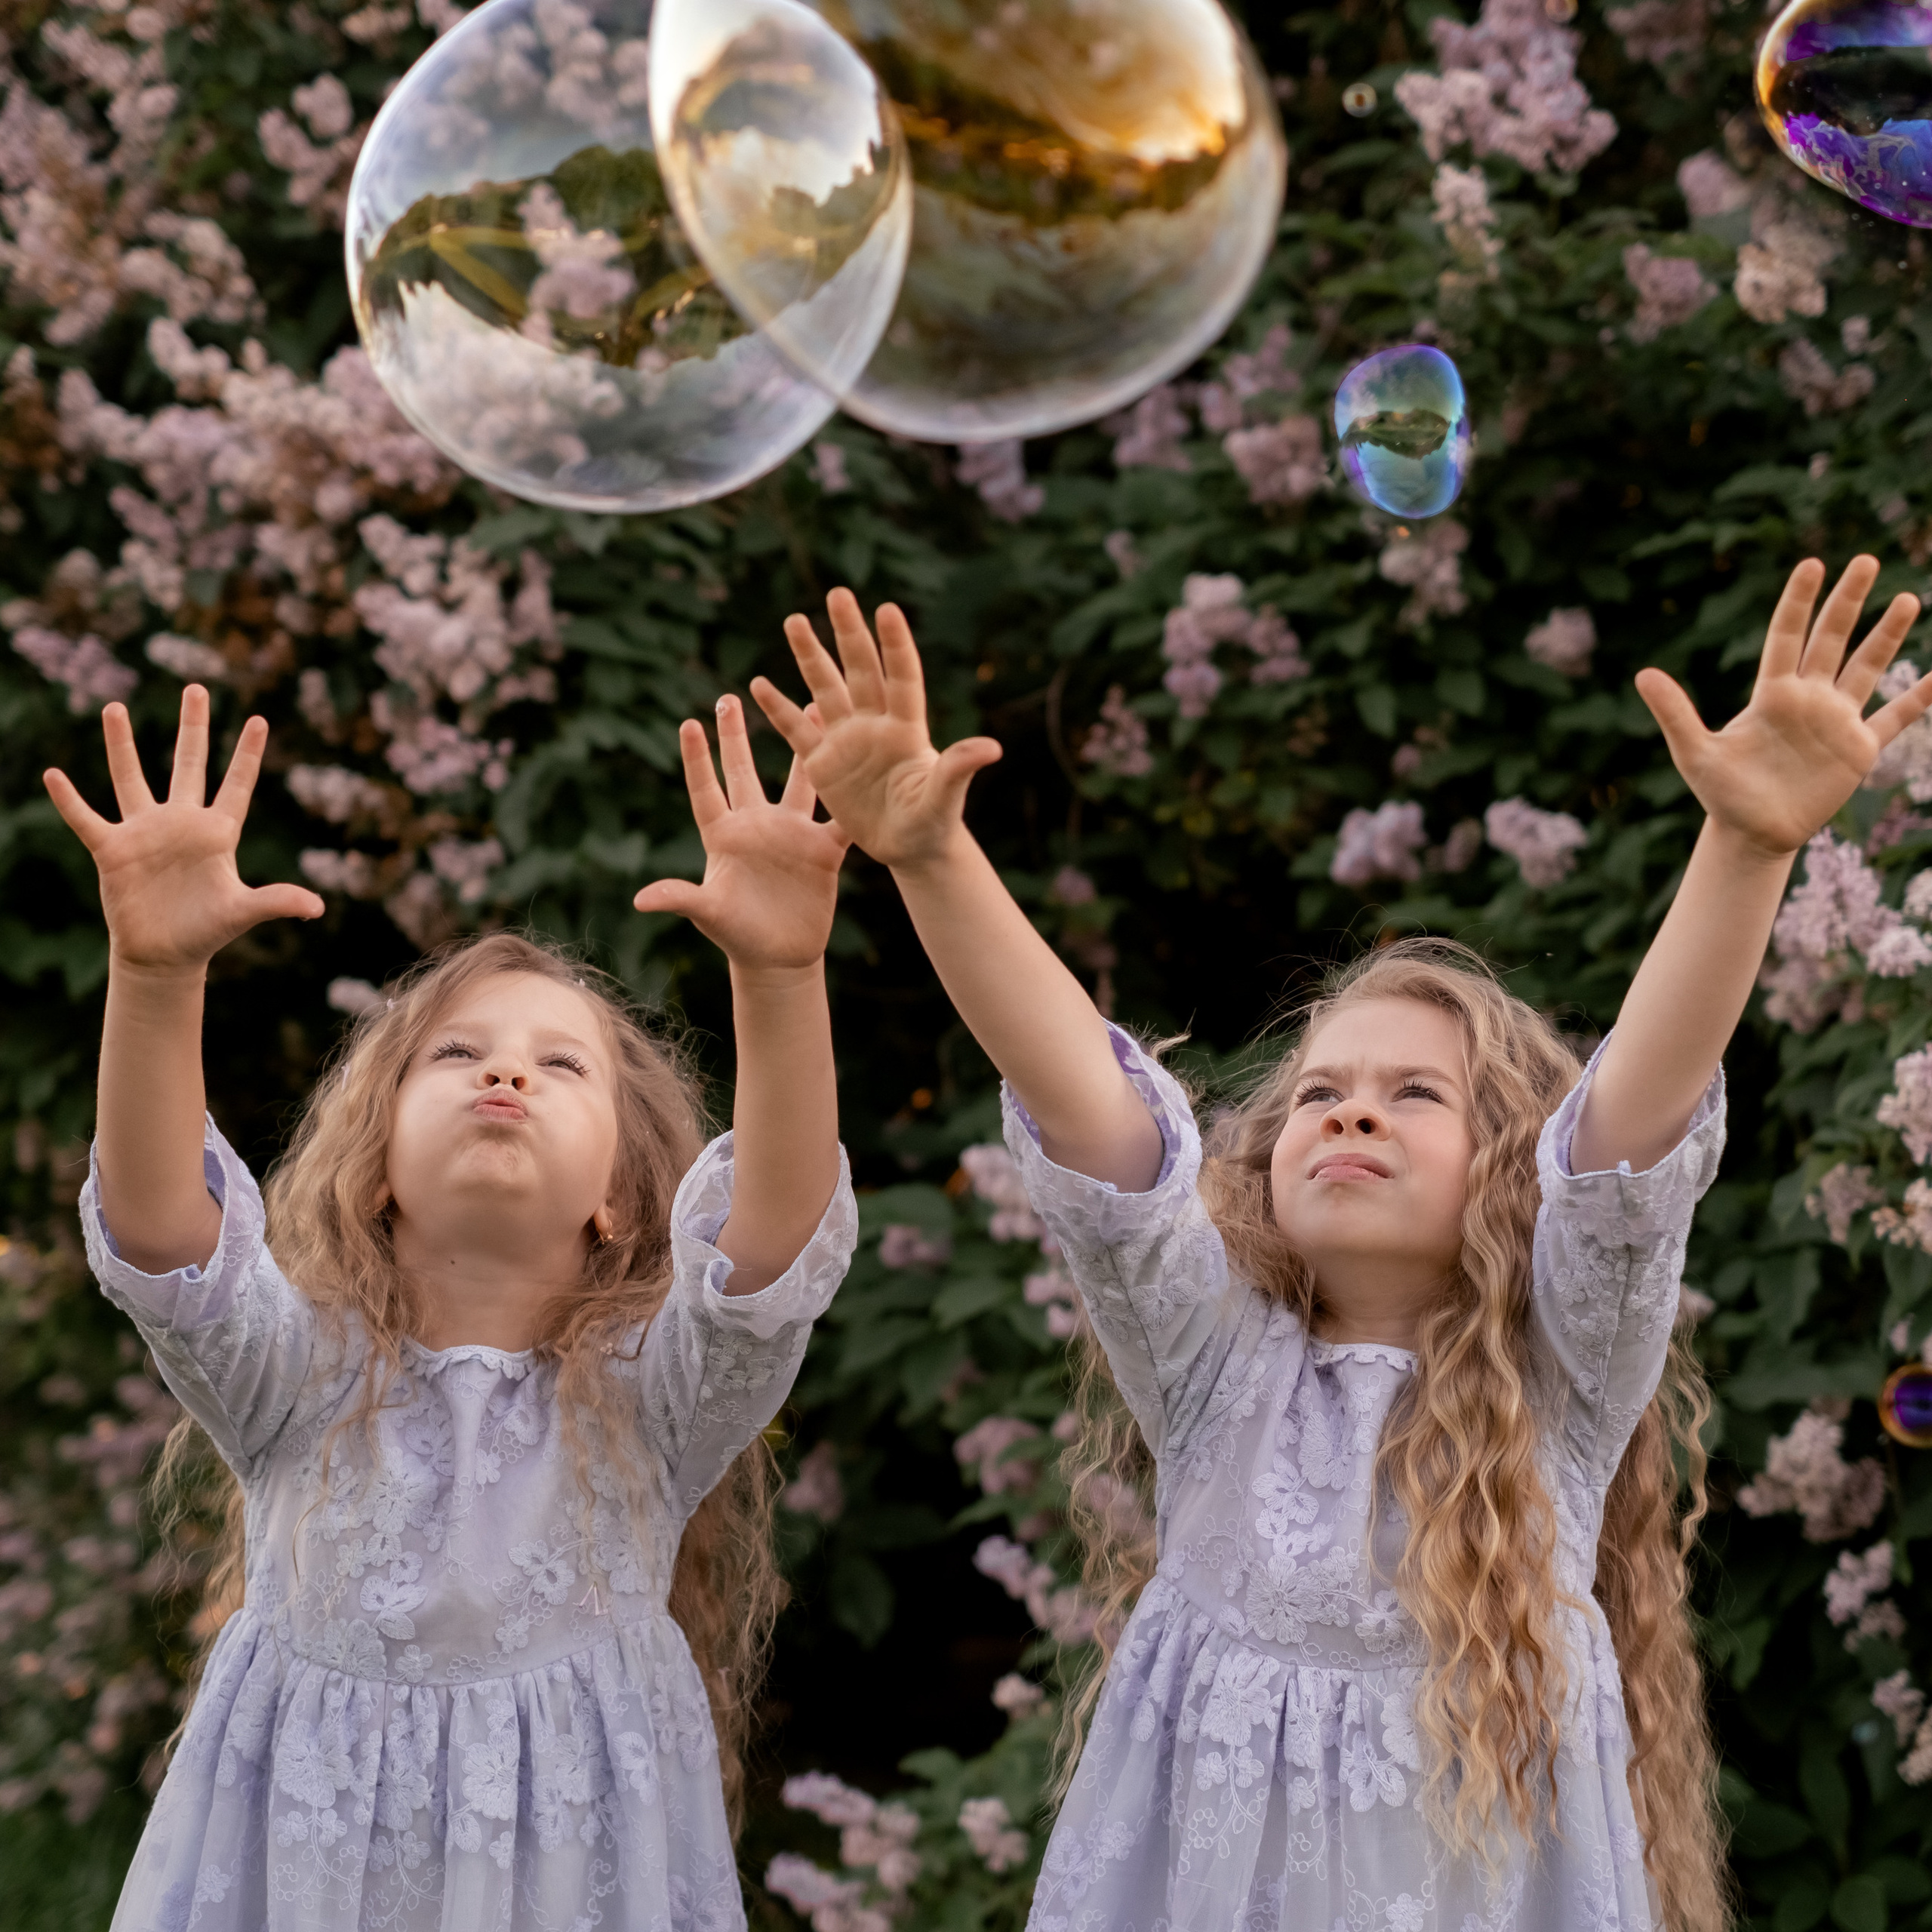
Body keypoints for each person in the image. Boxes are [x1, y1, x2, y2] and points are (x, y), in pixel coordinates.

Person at [749, 557, 1932, 1932]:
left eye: (1415, 1093)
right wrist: (935, 857)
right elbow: (1083, 1104)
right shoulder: (1208, 1365)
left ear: (1515, 1174)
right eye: (1319, 1090)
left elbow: (1634, 1135)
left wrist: (1749, 847)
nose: (1351, 1107)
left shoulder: (1564, 1375)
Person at [43, 685, 857, 1932]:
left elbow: (776, 1248)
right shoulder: (295, 1372)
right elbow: (159, 1232)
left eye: (561, 1061)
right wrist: (154, 975)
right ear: (373, 1170)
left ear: (626, 1205)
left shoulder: (657, 1397)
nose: (507, 1069)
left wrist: (782, 972)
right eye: (456, 1052)